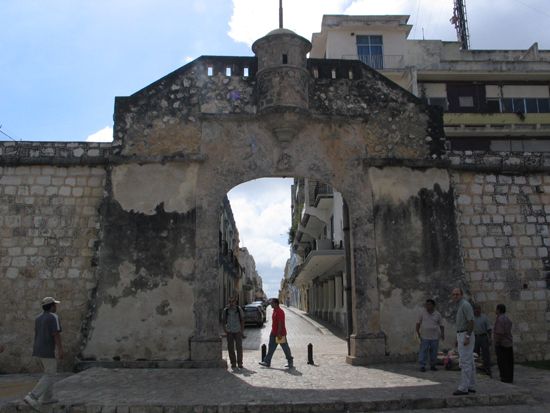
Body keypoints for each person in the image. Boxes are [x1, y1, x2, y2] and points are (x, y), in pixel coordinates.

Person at [24, 297, 63, 410]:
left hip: (37, 349)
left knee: (48, 373)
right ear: (51, 306)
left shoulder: (38, 318)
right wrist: (60, 349)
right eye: (55, 305)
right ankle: (33, 396)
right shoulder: (53, 317)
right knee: (50, 374)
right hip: (47, 350)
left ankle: (47, 398)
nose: (56, 307)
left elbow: (37, 334)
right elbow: (56, 334)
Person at [451, 288, 476, 396]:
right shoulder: (460, 305)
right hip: (461, 334)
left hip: (466, 334)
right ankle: (471, 385)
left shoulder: (465, 305)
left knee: (465, 362)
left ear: (461, 294)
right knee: (470, 361)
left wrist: (466, 336)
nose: (455, 296)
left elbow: (471, 321)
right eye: (453, 294)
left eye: (457, 294)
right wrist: (458, 338)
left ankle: (463, 387)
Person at [258, 298, 293, 369]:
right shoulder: (274, 311)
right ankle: (267, 362)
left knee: (285, 348)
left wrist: (279, 333)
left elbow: (280, 323)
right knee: (271, 347)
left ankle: (290, 362)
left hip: (279, 333)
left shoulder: (280, 312)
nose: (270, 304)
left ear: (276, 304)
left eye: (272, 303)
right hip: (273, 333)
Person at [416, 299, 445, 372]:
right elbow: (418, 323)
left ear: (433, 305)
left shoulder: (437, 314)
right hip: (424, 336)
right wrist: (417, 332)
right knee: (423, 351)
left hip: (435, 336)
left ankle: (433, 365)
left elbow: (441, 325)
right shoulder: (422, 313)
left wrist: (442, 334)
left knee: (434, 352)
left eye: (429, 304)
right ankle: (422, 366)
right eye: (426, 304)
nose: (427, 306)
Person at [222, 296, 245, 370]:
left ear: (235, 302)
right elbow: (223, 320)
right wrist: (224, 329)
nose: (231, 303)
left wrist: (242, 330)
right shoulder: (226, 310)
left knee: (239, 347)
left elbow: (242, 320)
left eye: (233, 301)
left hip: (237, 330)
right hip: (229, 331)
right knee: (230, 348)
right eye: (230, 302)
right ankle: (233, 363)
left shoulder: (239, 309)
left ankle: (240, 363)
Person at [494, 303, 514, 383]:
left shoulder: (500, 319)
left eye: (496, 309)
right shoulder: (507, 318)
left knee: (502, 362)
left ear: (498, 310)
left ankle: (505, 378)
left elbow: (499, 333)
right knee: (509, 362)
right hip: (508, 343)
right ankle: (509, 377)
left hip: (502, 344)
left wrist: (497, 342)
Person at [473, 303, 492, 377]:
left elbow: (489, 329)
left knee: (486, 354)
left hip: (483, 337)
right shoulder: (472, 318)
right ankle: (476, 370)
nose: (477, 310)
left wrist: (490, 338)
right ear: (473, 310)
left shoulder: (484, 317)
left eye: (478, 309)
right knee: (475, 354)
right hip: (475, 337)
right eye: (475, 309)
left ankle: (487, 370)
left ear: (480, 309)